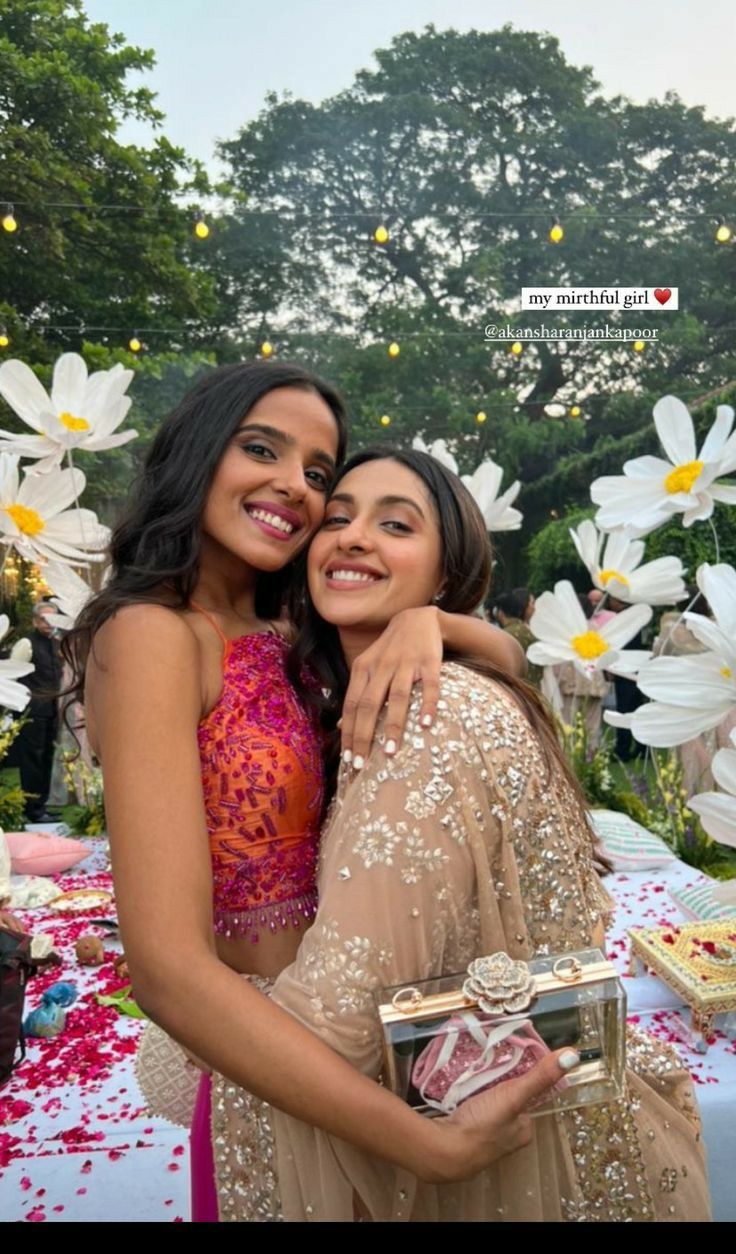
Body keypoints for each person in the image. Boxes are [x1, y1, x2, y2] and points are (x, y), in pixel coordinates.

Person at [65, 361, 560, 1219]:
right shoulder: (152, 636)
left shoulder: (294, 631)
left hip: (378, 1049)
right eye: (263, 448)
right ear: (196, 455)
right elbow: (168, 970)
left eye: (318, 474)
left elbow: (510, 661)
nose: (295, 486)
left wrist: (429, 621)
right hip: (279, 1077)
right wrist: (423, 1146)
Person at [224, 448, 707, 1223]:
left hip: (487, 1157)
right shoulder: (412, 690)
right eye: (338, 517)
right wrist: (445, 624)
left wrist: (201, 1026)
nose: (351, 537)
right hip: (549, 1126)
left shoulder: (430, 721)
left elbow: (335, 1026)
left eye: (395, 523)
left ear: (448, 571)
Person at [12, 602, 62, 823]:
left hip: (52, 709)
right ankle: (32, 808)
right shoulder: (27, 643)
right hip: (32, 709)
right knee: (32, 759)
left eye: (53, 620)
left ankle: (41, 805)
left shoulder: (56, 643)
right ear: (34, 621)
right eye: (44, 619)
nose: (49, 624)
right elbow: (13, 672)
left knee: (47, 758)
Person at [490, 590, 543, 689]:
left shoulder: (504, 635)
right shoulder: (528, 630)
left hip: (517, 691)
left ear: (500, 613)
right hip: (535, 689)